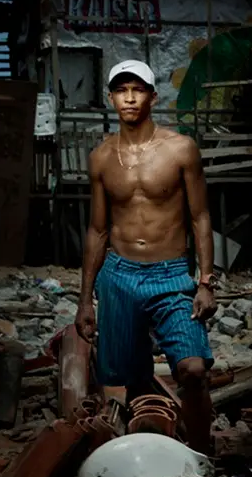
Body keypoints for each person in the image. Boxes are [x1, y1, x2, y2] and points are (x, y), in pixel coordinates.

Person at [75, 60, 218, 454]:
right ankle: (143, 455)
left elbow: (200, 216)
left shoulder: (180, 149)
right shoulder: (102, 157)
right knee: (126, 377)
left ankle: (204, 456)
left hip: (172, 273)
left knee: (192, 370)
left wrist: (205, 281)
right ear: (111, 98)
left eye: (138, 90)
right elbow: (97, 230)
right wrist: (85, 299)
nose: (130, 97)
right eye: (122, 90)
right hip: (119, 274)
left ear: (153, 97)